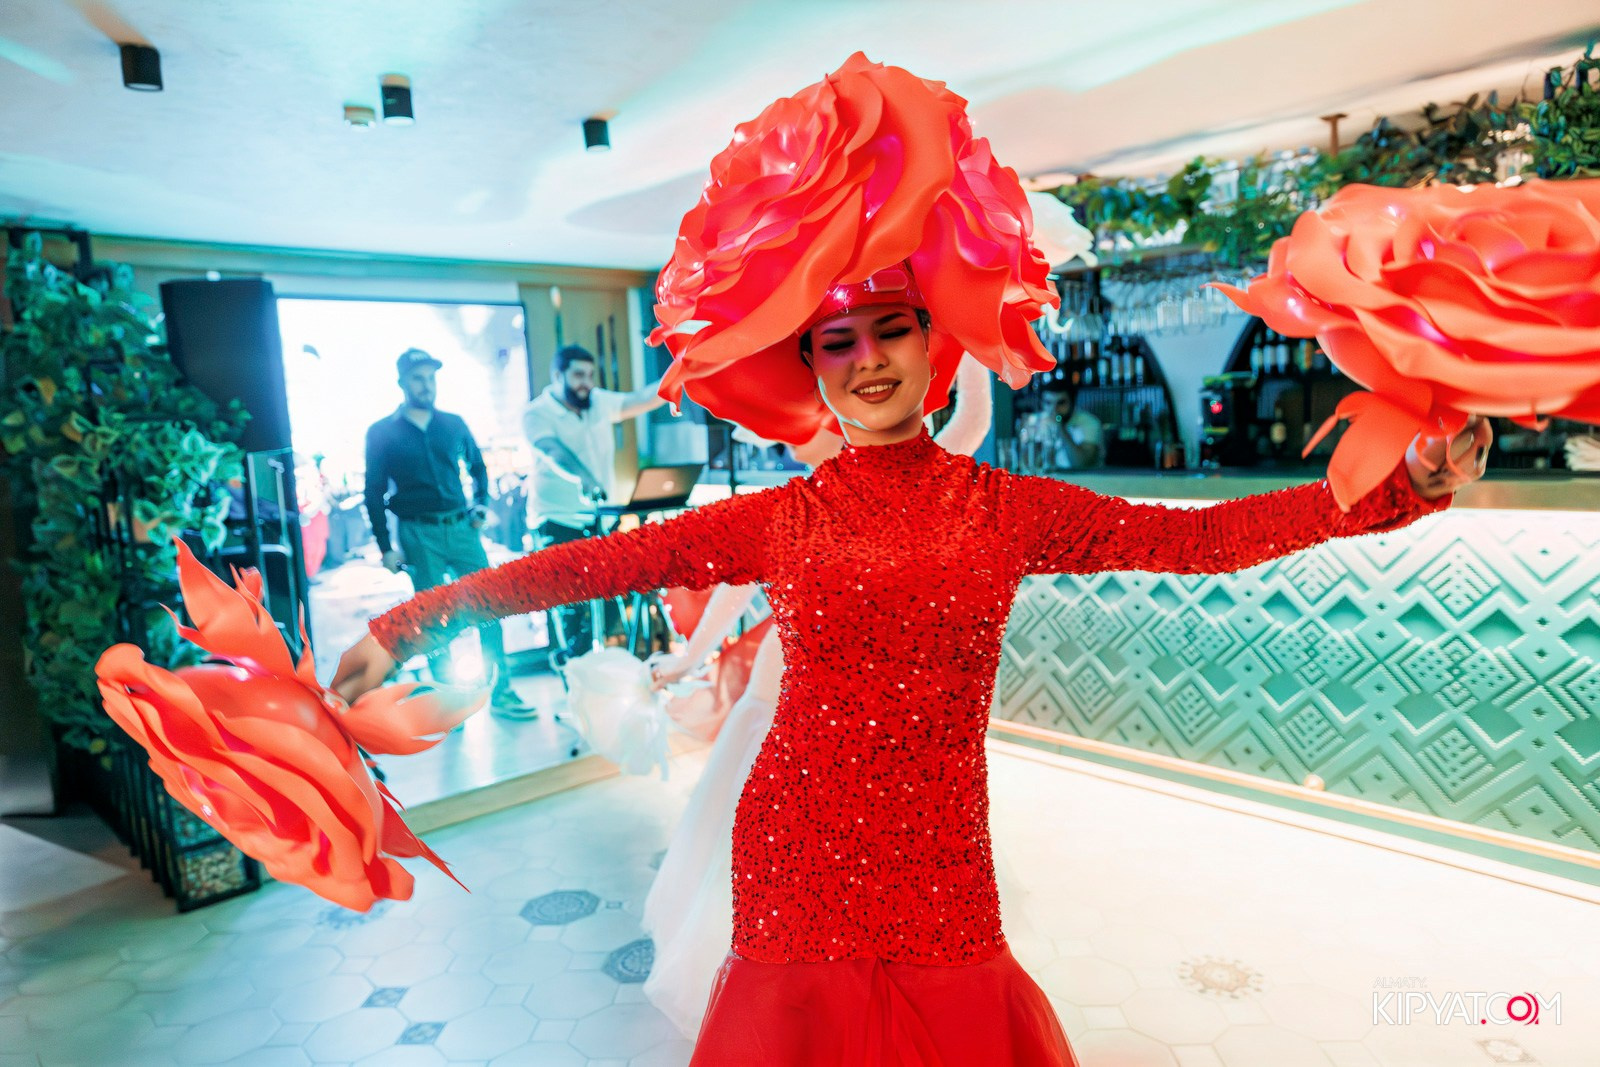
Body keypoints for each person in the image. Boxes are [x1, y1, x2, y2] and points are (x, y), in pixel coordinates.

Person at [333, 55, 1490, 1065]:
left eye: (889, 327)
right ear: (812, 369)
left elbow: (1199, 540)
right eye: (835, 341)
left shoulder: (1005, 506)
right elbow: (589, 567)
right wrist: (404, 622)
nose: (867, 359)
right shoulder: (778, 519)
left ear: (934, 339)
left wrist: (1401, 488)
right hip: (794, 846)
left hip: (940, 854)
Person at [640, 353, 992, 1037]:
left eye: (790, 424)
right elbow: (735, 588)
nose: (783, 440)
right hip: (787, 710)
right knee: (789, 877)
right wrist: (687, 657)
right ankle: (796, 1010)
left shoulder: (918, 483)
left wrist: (979, 325)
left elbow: (973, 417)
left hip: (883, 718)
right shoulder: (793, 506)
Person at [362, 348, 533, 717]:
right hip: (417, 534)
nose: (426, 385)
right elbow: (372, 493)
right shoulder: (382, 432)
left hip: (461, 529)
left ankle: (500, 690)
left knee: (490, 604)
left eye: (431, 378)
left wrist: (481, 504)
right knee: (431, 616)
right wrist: (385, 547)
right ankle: (447, 700)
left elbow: (478, 467)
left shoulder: (453, 424)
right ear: (402, 382)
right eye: (418, 378)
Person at [523, 343, 668, 651]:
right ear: (558, 375)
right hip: (557, 520)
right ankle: (573, 665)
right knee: (569, 605)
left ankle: (587, 662)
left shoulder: (599, 401)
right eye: (578, 375)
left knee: (612, 593)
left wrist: (684, 369)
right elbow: (553, 450)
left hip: (601, 517)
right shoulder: (536, 413)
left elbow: (643, 399)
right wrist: (584, 477)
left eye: (590, 375)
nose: (586, 383)